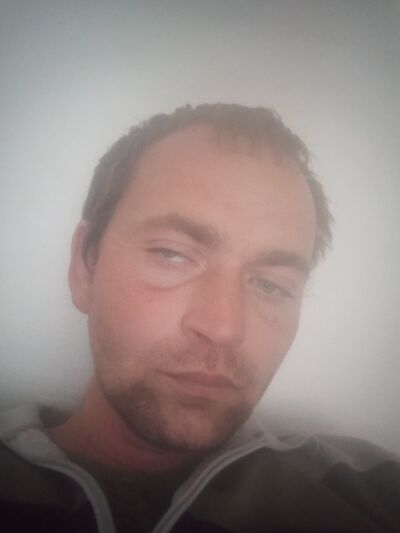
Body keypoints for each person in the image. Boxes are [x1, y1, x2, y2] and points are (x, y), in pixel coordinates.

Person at [0, 103, 399, 533]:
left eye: (271, 285)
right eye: (172, 254)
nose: (224, 328)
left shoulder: (368, 493)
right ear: (85, 265)